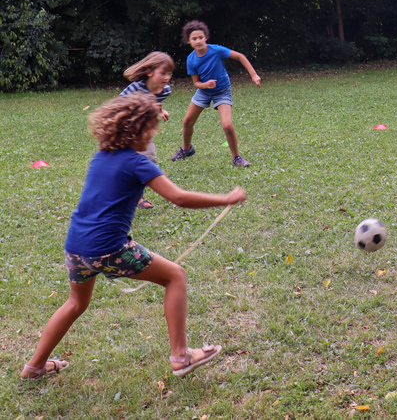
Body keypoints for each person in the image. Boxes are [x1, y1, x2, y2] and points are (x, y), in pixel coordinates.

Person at [20, 93, 247, 380]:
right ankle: (181, 356)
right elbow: (178, 197)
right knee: (175, 276)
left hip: (76, 247)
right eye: (150, 130)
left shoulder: (101, 156)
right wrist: (225, 198)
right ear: (135, 131)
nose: (152, 136)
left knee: (76, 303)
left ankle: (34, 366)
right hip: (108, 249)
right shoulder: (138, 163)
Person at [170, 20, 261, 167]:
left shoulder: (216, 50)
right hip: (203, 91)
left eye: (200, 37)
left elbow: (240, 56)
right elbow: (196, 83)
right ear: (188, 41)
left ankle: (236, 157)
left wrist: (254, 75)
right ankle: (187, 149)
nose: (198, 41)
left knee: (227, 125)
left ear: (206, 37)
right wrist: (205, 85)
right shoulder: (191, 60)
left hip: (222, 91)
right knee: (187, 121)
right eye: (194, 38)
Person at [120, 51, 175, 209]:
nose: (166, 78)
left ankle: (136, 196)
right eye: (163, 73)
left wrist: (160, 111)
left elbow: (152, 103)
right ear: (149, 72)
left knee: (149, 160)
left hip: (143, 132)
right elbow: (118, 106)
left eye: (169, 74)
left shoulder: (165, 91)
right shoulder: (135, 88)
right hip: (125, 130)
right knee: (125, 164)